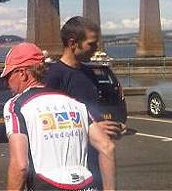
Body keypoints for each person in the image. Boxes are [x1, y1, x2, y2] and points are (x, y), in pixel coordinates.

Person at [2, 43, 116, 191]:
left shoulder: (17, 106)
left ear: (23, 73)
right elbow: (107, 147)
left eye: (9, 76)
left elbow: (21, 166)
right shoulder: (74, 103)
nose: (7, 83)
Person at [44, 16, 124, 190]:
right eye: (92, 44)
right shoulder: (54, 76)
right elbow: (49, 122)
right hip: (70, 164)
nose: (96, 49)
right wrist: (90, 129)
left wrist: (109, 126)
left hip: (95, 159)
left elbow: (89, 109)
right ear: (73, 43)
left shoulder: (88, 72)